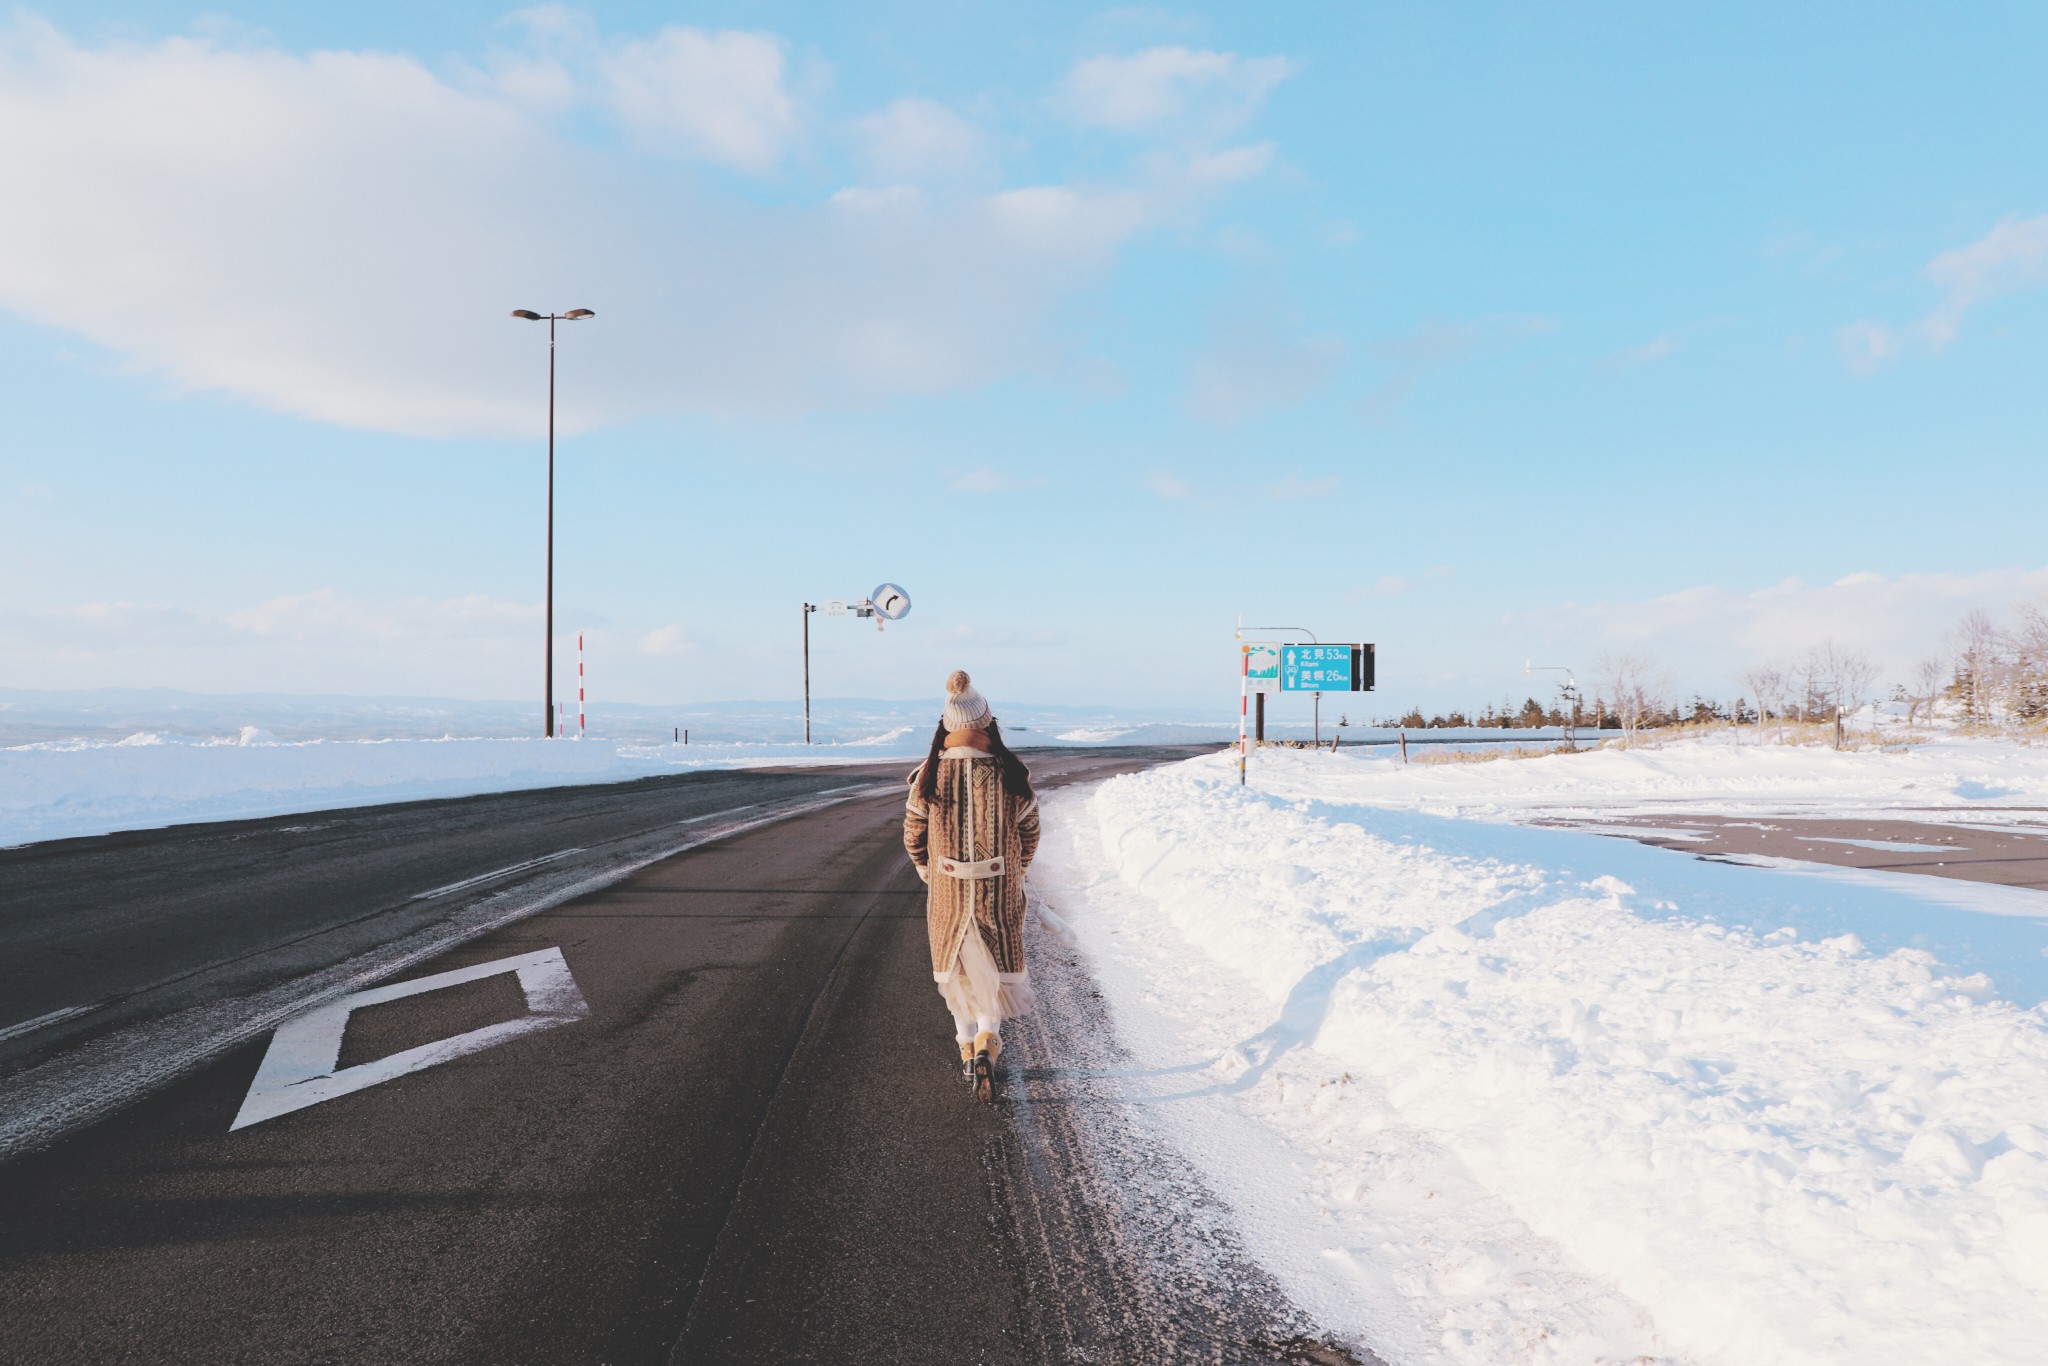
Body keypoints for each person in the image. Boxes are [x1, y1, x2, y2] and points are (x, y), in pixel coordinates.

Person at [902, 670, 1040, 1102]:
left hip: (948, 890)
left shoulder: (927, 775)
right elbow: (1030, 828)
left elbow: (913, 834)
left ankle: (967, 1051)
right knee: (994, 973)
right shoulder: (1010, 772)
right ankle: (988, 1043)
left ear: (946, 726)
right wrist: (1018, 872)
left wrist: (928, 870)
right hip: (997, 890)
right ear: (985, 723)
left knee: (957, 976)